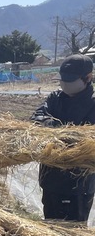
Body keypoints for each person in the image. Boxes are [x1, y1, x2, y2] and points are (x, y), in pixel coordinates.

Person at [31, 54, 95, 222]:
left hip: (79, 185)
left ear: (88, 77)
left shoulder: (93, 103)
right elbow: (37, 117)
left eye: (70, 80)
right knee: (51, 225)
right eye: (63, 80)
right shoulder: (55, 98)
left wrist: (62, 134)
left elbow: (88, 138)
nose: (65, 84)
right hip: (51, 179)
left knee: (73, 230)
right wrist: (53, 127)